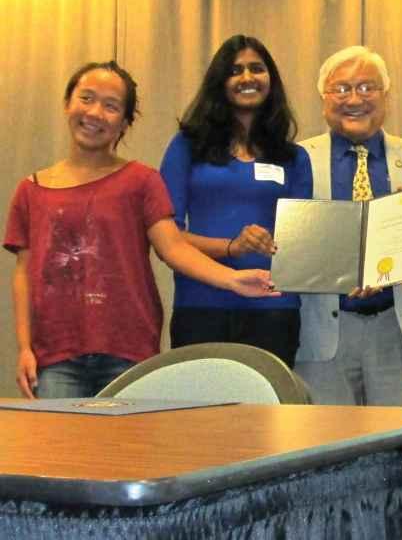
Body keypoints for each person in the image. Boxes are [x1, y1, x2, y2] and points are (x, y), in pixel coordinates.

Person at [4, 61, 278, 400]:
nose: (95, 113)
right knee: (60, 451)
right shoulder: (31, 190)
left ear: (124, 123)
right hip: (55, 355)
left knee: (128, 451)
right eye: (86, 98)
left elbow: (173, 248)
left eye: (111, 106)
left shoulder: (142, 181)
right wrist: (25, 347)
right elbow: (23, 274)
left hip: (128, 351)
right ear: (67, 104)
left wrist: (232, 279)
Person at [293, 46, 402, 405]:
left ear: (386, 96)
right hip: (322, 331)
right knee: (325, 451)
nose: (354, 99)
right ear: (323, 99)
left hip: (398, 325)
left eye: (366, 88)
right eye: (341, 89)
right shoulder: (296, 159)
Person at [159, 35, 312, 368]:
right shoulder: (187, 146)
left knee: (269, 417)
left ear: (271, 80)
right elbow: (165, 237)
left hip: (274, 308)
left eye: (257, 68)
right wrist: (231, 247)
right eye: (235, 70)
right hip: (201, 304)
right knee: (201, 418)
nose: (247, 78)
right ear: (220, 82)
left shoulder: (295, 158)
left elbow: (302, 243)